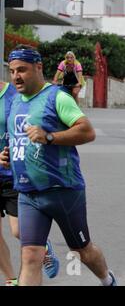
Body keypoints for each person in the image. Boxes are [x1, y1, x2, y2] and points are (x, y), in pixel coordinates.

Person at [2, 45, 116, 286]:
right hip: (28, 194)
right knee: (31, 256)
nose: (16, 77)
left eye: (21, 70)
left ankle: (107, 280)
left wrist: (50, 137)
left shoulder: (57, 97)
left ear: (38, 67)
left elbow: (87, 131)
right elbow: (19, 140)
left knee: (82, 250)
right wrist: (8, 155)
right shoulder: (14, 102)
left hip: (63, 191)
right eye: (12, 71)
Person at [0, 80, 61, 286]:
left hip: (14, 174)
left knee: (19, 231)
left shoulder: (13, 95)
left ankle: (42, 245)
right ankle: (11, 279)